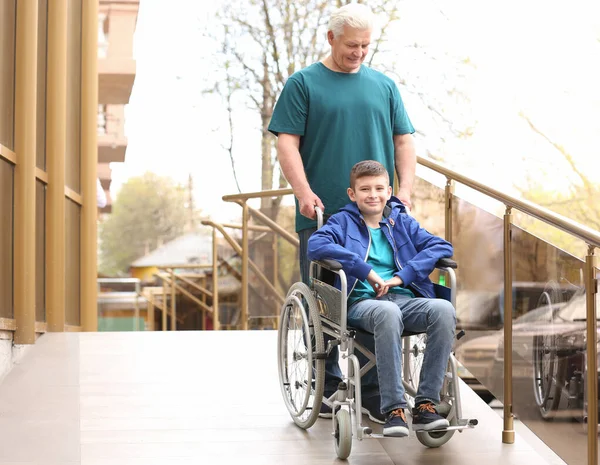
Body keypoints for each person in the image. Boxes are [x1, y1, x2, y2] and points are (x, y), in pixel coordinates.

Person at [268, 3, 416, 423]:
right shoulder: (304, 84)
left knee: (380, 294)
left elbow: (404, 141)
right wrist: (303, 191)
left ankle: (373, 388)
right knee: (331, 303)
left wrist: (404, 190)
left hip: (380, 216)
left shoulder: (384, 86)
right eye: (352, 44)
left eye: (366, 45)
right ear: (331, 39)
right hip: (326, 217)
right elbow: (286, 143)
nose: (359, 52)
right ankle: (331, 383)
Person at [307, 160, 456, 437]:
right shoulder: (342, 222)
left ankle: (425, 405)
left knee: (443, 309)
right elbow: (316, 244)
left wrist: (404, 276)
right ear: (353, 194)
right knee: (388, 314)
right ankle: (394, 410)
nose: (372, 194)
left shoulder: (401, 222)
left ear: (389, 191)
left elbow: (441, 245)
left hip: (403, 297)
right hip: (361, 303)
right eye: (364, 189)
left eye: (378, 188)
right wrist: (366, 271)